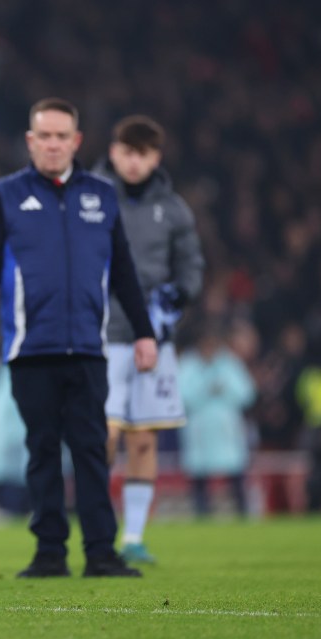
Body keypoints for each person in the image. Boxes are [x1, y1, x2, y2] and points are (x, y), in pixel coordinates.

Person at [0, 97, 156, 578]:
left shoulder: (102, 195)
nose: (52, 144)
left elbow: (126, 275)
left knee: (93, 451)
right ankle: (49, 553)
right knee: (42, 451)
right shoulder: (7, 195)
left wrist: (145, 333)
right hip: (30, 351)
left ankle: (101, 553)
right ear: (31, 141)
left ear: (76, 141)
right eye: (43, 136)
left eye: (61, 136)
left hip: (89, 351)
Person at [92, 115, 204, 564]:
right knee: (103, 435)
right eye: (126, 152)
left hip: (153, 339)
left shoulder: (174, 209)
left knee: (143, 440)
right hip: (101, 334)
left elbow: (191, 269)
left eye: (143, 154)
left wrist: (169, 309)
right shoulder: (91, 195)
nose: (134, 162)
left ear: (156, 157)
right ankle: (97, 532)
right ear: (114, 151)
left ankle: (133, 538)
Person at [178, 324, 256, 517]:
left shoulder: (230, 363)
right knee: (199, 476)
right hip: (200, 429)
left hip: (226, 429)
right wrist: (206, 390)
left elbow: (247, 394)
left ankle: (243, 513)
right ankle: (201, 514)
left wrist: (225, 391)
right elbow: (180, 396)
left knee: (235, 474)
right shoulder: (188, 364)